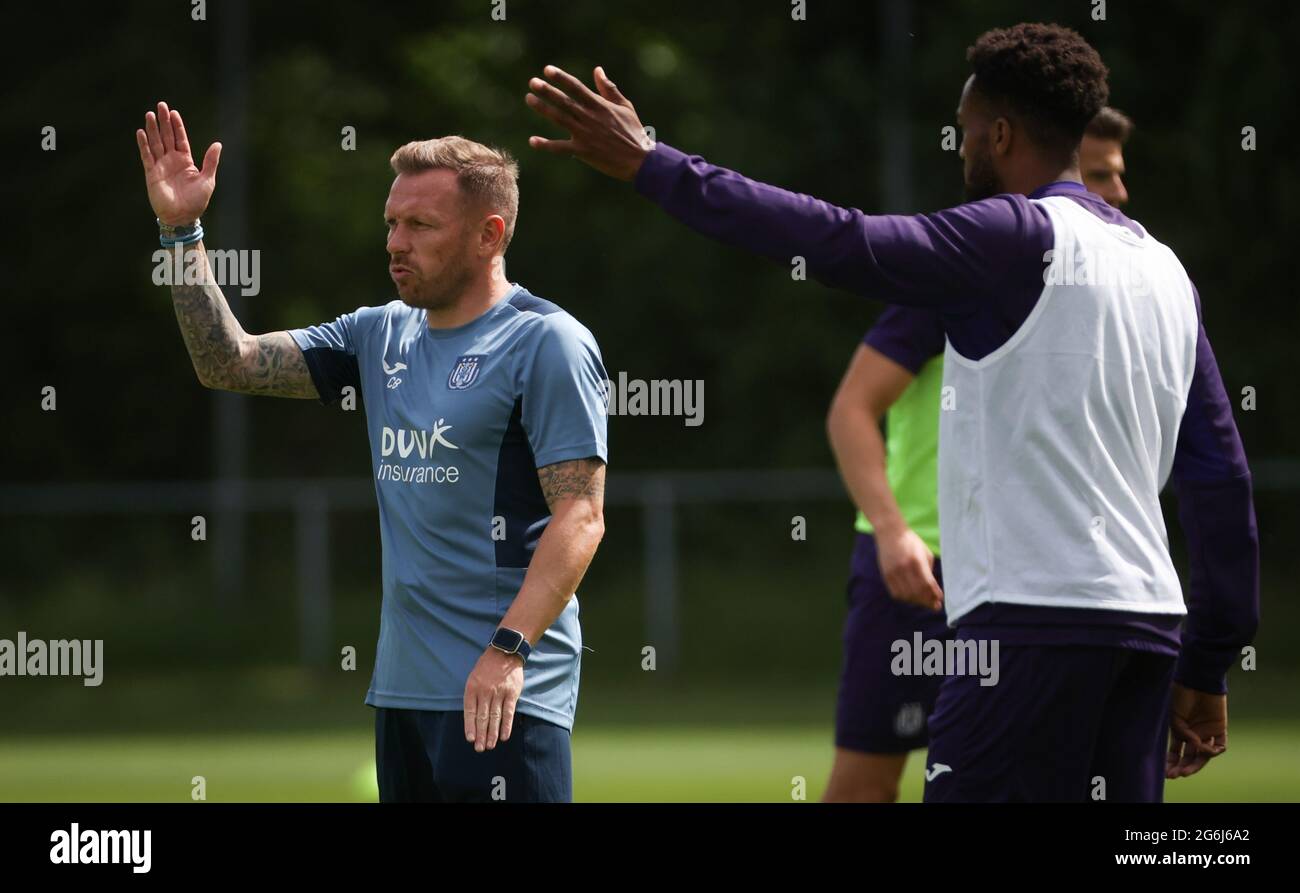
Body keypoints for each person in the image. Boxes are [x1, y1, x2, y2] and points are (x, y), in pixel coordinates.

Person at [522, 22, 1259, 801]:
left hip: (1024, 627)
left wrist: (653, 165)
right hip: (1146, 633)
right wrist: (1208, 659)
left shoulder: (1011, 235)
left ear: (1001, 133)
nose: (963, 149)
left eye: (968, 132)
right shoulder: (1165, 270)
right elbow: (1222, 478)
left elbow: (837, 239)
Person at [135, 105, 608, 802]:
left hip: (500, 695)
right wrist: (181, 231)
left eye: (420, 225)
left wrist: (509, 652)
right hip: (402, 695)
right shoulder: (377, 334)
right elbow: (226, 362)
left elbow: (581, 516)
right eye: (392, 222)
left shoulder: (546, 342)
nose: (396, 241)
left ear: (489, 234)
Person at [821, 105, 1145, 803]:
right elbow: (852, 407)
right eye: (1099, 176)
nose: (1115, 194)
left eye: (1118, 178)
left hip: (1036, 579)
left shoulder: (1125, 283)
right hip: (920, 572)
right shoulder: (970, 273)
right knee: (867, 784)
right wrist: (892, 530)